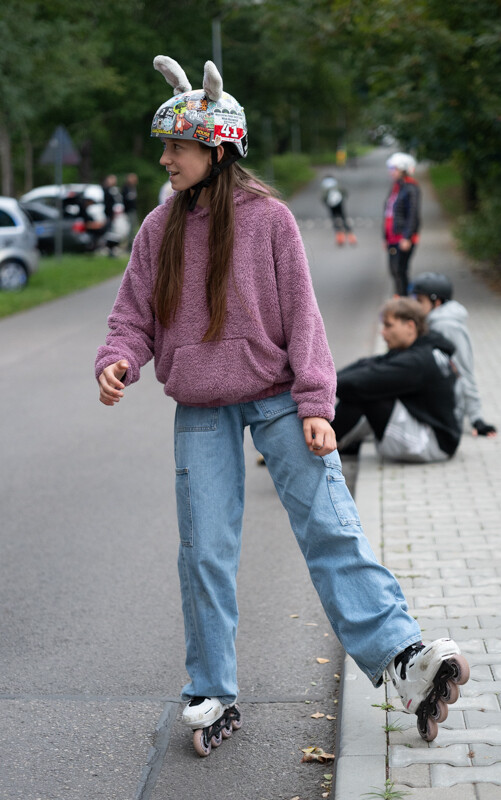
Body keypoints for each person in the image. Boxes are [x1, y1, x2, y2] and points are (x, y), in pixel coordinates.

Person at [95, 55, 469, 754]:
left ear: (217, 149)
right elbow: (131, 317)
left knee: (329, 528)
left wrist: (315, 402)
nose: (166, 158)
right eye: (165, 146)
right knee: (204, 550)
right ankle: (212, 687)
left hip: (276, 399)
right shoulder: (159, 227)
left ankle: (405, 661)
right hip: (202, 408)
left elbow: (303, 318)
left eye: (177, 146)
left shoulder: (267, 221)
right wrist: (118, 359)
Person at [332, 297, 461, 462]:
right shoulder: (423, 347)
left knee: (362, 392)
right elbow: (369, 364)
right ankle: (332, 440)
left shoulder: (417, 362)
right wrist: (326, 381)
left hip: (434, 444)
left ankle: (318, 447)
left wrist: (322, 389)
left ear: (410, 326)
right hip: (436, 432)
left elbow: (359, 382)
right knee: (364, 386)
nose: (382, 332)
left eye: (388, 325)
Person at [412, 272, 497, 438]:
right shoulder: (433, 321)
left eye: (420, 301)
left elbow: (464, 369)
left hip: (447, 408)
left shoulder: (447, 327)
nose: (416, 306)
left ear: (436, 302)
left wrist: (476, 418)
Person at [384, 153, 421, 295]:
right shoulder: (396, 187)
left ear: (403, 169)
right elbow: (388, 212)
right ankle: (401, 299)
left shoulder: (411, 188)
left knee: (400, 270)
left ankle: (404, 301)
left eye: (393, 168)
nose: (391, 171)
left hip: (403, 237)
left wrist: (407, 237)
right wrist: (384, 237)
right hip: (392, 237)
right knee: (395, 270)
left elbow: (413, 215)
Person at [321, 175, 357, 246]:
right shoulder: (335, 183)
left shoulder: (324, 183)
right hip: (339, 202)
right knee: (343, 218)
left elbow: (324, 196)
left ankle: (340, 238)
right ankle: (351, 237)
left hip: (330, 204)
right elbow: (343, 192)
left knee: (335, 220)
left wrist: (326, 203)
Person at [121, 172, 139, 250]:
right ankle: (129, 245)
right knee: (130, 228)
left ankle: (131, 244)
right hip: (128, 211)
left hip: (133, 210)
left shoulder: (133, 188)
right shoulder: (126, 188)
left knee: (133, 227)